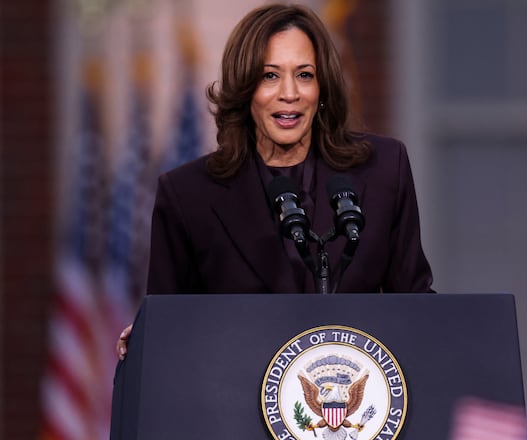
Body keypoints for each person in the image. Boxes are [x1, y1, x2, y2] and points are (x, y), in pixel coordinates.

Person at [116, 3, 432, 359]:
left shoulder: (384, 170)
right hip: (234, 404)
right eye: (270, 75)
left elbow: (418, 306)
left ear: (322, 87)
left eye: (304, 75)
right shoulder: (188, 196)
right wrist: (149, 336)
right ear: (244, 88)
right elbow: (172, 332)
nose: (290, 93)